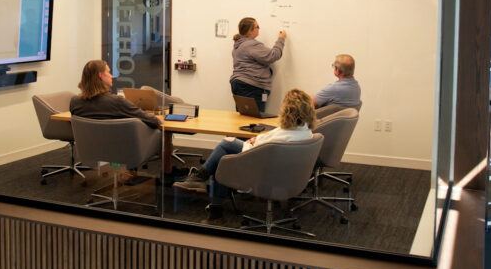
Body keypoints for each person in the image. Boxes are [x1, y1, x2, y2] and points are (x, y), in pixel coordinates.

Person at [174, 88, 316, 195]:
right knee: (225, 151)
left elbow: (268, 147)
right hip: (278, 165)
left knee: (226, 144)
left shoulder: (286, 135)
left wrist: (253, 143)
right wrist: (257, 139)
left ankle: (199, 179)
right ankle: (201, 181)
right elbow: (273, 137)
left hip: (263, 165)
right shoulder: (303, 130)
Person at [69, 60, 161, 130]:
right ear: (100, 75)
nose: (111, 75)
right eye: (108, 72)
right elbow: (154, 122)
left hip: (87, 149)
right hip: (120, 148)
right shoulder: (117, 102)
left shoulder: (75, 102)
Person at [230, 17, 286, 113]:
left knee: (243, 119)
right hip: (251, 86)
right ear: (250, 31)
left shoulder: (238, 45)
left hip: (241, 85)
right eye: (257, 27)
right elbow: (273, 55)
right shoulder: (250, 45)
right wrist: (281, 39)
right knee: (253, 121)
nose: (259, 29)